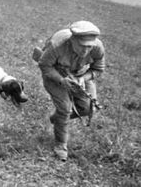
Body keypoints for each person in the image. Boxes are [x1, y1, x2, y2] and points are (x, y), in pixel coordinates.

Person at [34, 20, 105, 161]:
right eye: (82, 46)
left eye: (89, 46)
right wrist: (61, 80)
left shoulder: (97, 47)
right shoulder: (57, 45)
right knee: (65, 108)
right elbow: (44, 65)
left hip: (80, 75)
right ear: (73, 40)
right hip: (56, 74)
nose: (85, 50)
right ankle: (61, 145)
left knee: (88, 109)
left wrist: (84, 78)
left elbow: (98, 69)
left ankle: (57, 119)